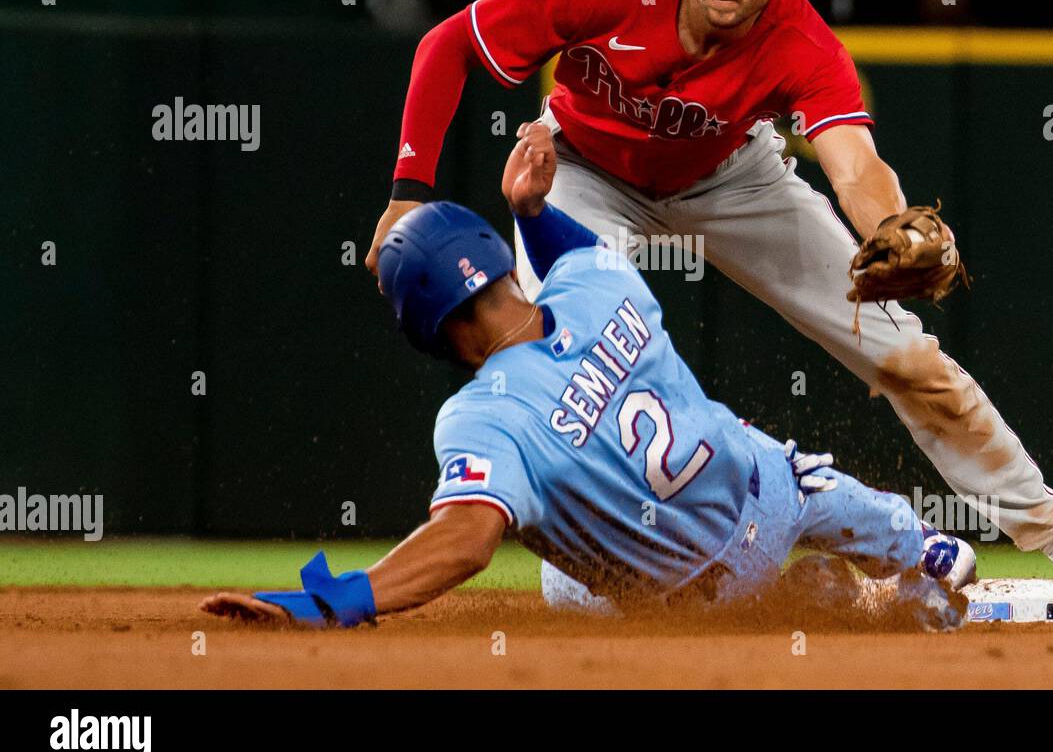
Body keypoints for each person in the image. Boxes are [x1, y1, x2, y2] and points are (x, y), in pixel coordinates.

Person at [363, 0, 1053, 594]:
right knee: (561, 371)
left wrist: (888, 224)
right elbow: (447, 43)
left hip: (731, 177)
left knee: (911, 358)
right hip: (580, 171)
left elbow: (851, 161)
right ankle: (598, 565)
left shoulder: (800, 40)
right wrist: (407, 191)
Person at [199, 123, 974, 628]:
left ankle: (835, 598)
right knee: (771, 460)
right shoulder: (602, 286)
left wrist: (341, 601)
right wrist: (531, 210)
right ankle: (916, 545)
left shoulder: (480, 419)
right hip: (767, 499)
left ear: (423, 326)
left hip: (692, 601)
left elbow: (466, 541)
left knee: (558, 583)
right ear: (496, 256)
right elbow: (569, 249)